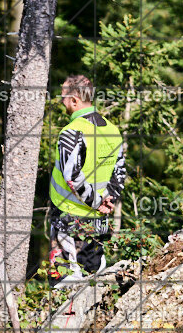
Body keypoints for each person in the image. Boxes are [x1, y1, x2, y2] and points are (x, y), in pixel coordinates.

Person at [48, 75, 127, 286]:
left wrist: (97, 202)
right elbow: (119, 172)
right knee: (93, 281)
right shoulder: (112, 130)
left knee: (63, 285)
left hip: (68, 222)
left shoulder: (71, 132)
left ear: (74, 101)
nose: (61, 101)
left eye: (63, 97)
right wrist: (108, 199)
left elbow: (71, 176)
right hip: (97, 223)